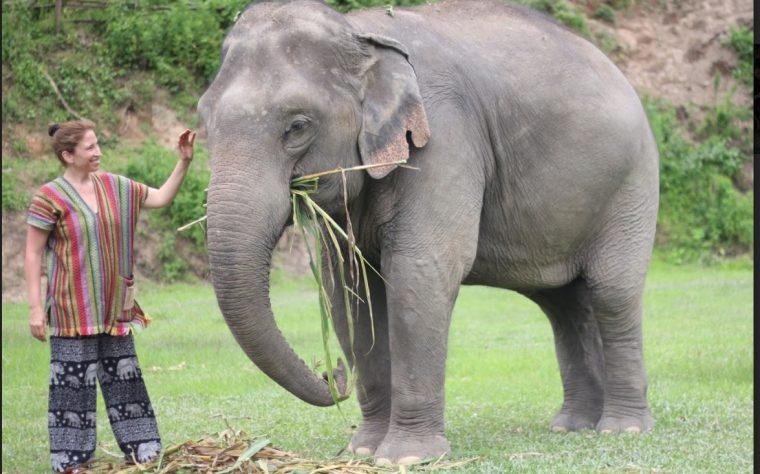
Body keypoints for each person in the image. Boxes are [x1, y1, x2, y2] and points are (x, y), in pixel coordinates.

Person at [25, 119, 196, 473]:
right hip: (72, 311)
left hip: (116, 307)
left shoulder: (116, 186)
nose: (98, 151)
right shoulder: (49, 197)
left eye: (97, 143)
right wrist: (34, 309)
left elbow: (161, 198)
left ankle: (143, 450)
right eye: (89, 147)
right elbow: (31, 254)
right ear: (67, 155)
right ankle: (71, 461)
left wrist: (184, 161)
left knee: (125, 380)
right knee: (72, 387)